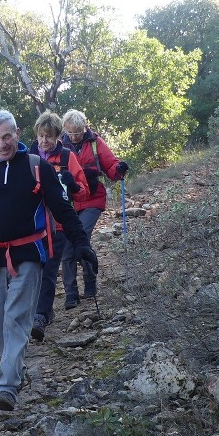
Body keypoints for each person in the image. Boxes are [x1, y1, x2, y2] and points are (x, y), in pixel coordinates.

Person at [0, 109, 98, 411]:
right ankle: (15, 371)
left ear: (17, 134)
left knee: (16, 318)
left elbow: (62, 208)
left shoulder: (37, 167)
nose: (1, 144)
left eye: (7, 137)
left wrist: (81, 243)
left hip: (28, 254)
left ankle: (6, 386)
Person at [59, 109, 128, 310]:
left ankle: (90, 281)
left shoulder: (95, 142)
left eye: (77, 132)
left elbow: (111, 165)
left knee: (81, 236)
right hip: (68, 202)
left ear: (85, 127)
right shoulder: (59, 145)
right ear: (65, 130)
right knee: (66, 245)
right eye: (70, 132)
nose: (74, 136)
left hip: (92, 199)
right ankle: (71, 292)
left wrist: (119, 169)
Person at [28, 111, 87, 341]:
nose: (44, 141)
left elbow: (83, 192)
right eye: (41, 136)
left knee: (50, 270)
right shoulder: (29, 156)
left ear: (57, 136)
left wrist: (72, 185)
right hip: (32, 225)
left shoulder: (66, 157)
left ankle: (40, 316)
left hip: (58, 226)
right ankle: (40, 311)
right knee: (33, 272)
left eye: (49, 137)